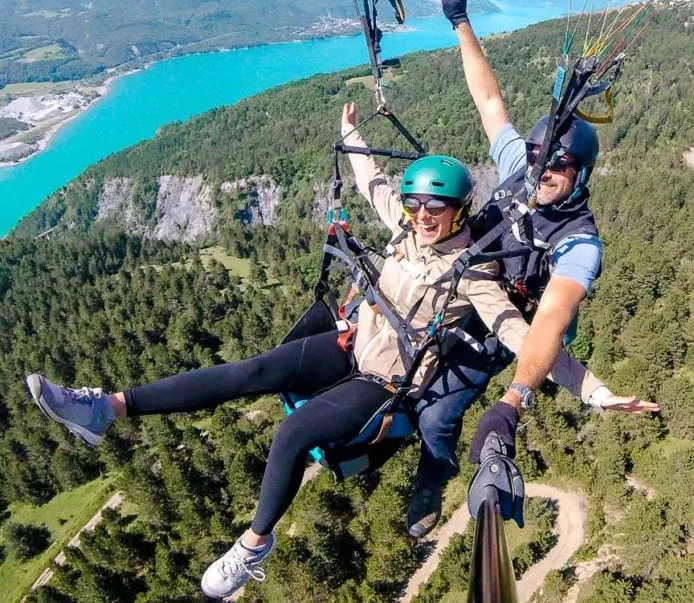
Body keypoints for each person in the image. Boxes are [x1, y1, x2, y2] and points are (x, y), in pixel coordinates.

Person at [26, 104, 628, 598]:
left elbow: (530, 338)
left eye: (434, 208)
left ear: (460, 211)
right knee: (250, 370)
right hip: (349, 342)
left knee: (289, 436)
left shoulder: (473, 272)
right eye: (416, 204)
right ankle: (104, 409)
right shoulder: (405, 225)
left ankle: (254, 546)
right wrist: (351, 133)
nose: (421, 215)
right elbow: (374, 186)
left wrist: (593, 391)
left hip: (384, 382)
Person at [405, 0, 660, 538]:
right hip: (468, 284)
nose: (544, 167)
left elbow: (552, 317)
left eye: (560, 163)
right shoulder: (524, 165)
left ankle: (434, 468)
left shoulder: (578, 242)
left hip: (508, 320)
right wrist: (461, 21)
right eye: (540, 153)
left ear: (583, 174)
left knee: (441, 410)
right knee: (392, 360)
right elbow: (489, 98)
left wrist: (516, 398)